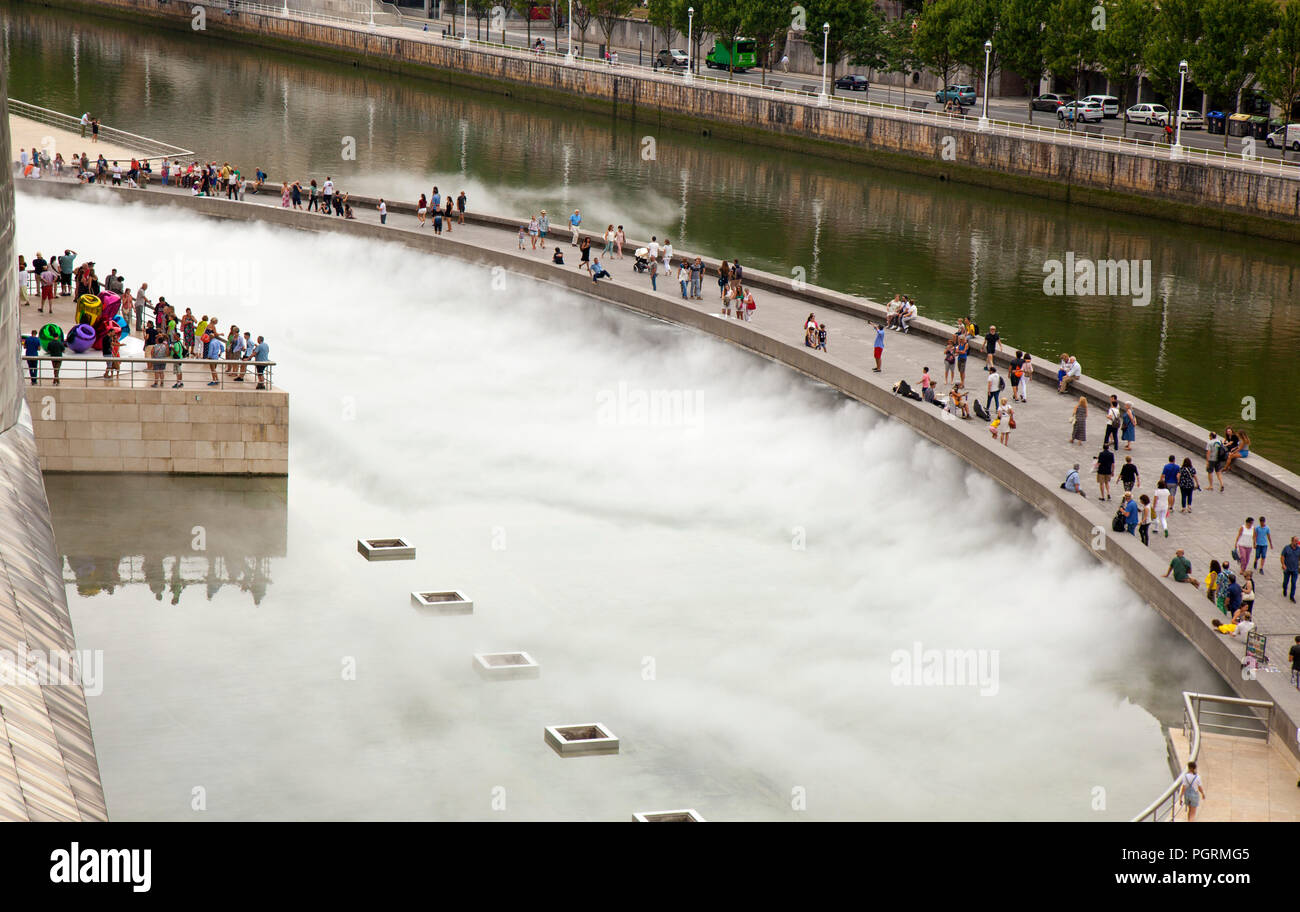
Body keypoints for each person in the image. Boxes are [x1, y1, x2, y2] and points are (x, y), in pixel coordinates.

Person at [1281, 536, 1300, 603]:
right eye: (1295, 541)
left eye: (1297, 541)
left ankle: (1292, 596)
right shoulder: (1286, 548)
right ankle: (1285, 589)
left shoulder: (1299, 549)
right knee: (1285, 582)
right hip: (1287, 568)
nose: (1297, 542)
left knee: (1294, 583)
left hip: (1295, 569)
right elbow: (1282, 556)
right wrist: (1283, 564)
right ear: (1292, 541)